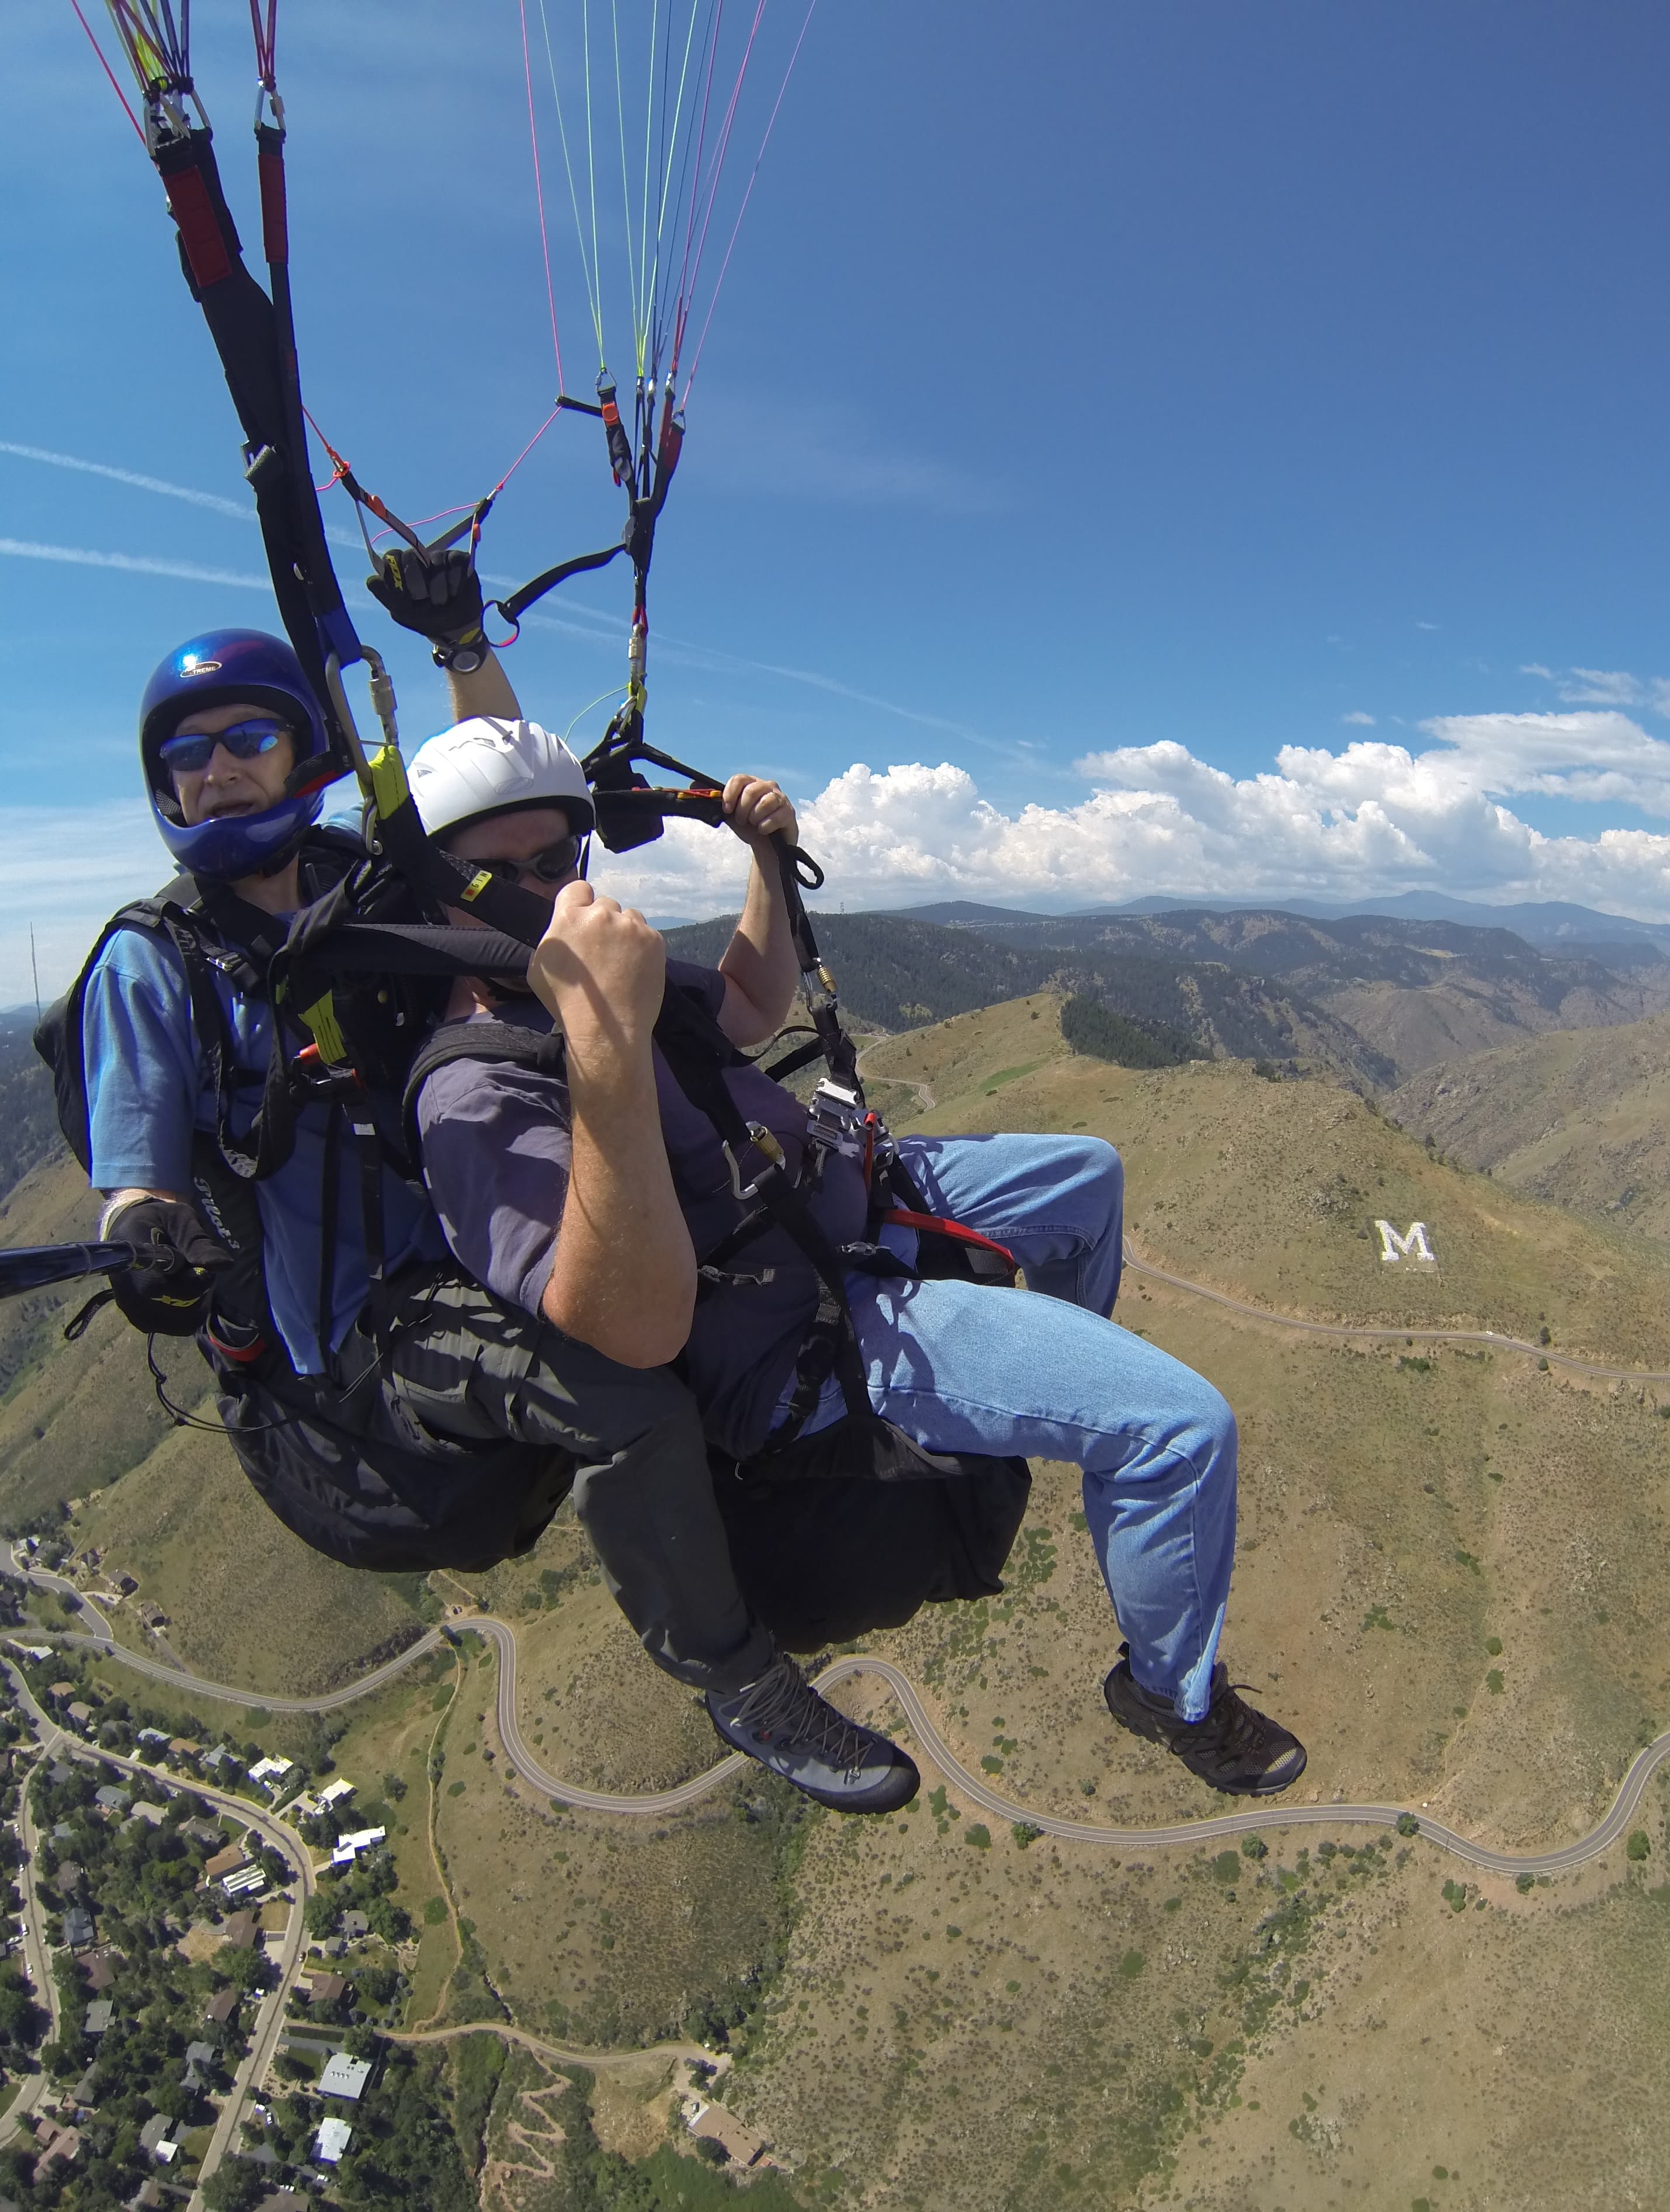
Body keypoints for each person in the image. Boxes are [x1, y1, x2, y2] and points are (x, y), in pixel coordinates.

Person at [74, 620, 916, 1816]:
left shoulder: (365, 876)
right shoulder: (155, 964)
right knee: (623, 1392)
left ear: (301, 750)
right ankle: (737, 1678)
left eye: (247, 739)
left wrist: (467, 642)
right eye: (187, 757)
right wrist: (148, 1238)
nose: (216, 771)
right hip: (377, 1307)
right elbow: (137, 1166)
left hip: (484, 1212)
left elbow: (505, 801)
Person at [405, 729, 1310, 1797]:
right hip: (810, 1326)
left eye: (551, 864)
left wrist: (768, 866)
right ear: (435, 887)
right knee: (1181, 1430)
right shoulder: (476, 1092)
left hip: (850, 1202)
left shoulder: (608, 983)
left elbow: (748, 1007)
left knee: (1089, 1175)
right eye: (490, 875)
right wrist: (602, 1034)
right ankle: (1172, 1694)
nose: (529, 893)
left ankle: (1064, 1394)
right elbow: (614, 1323)